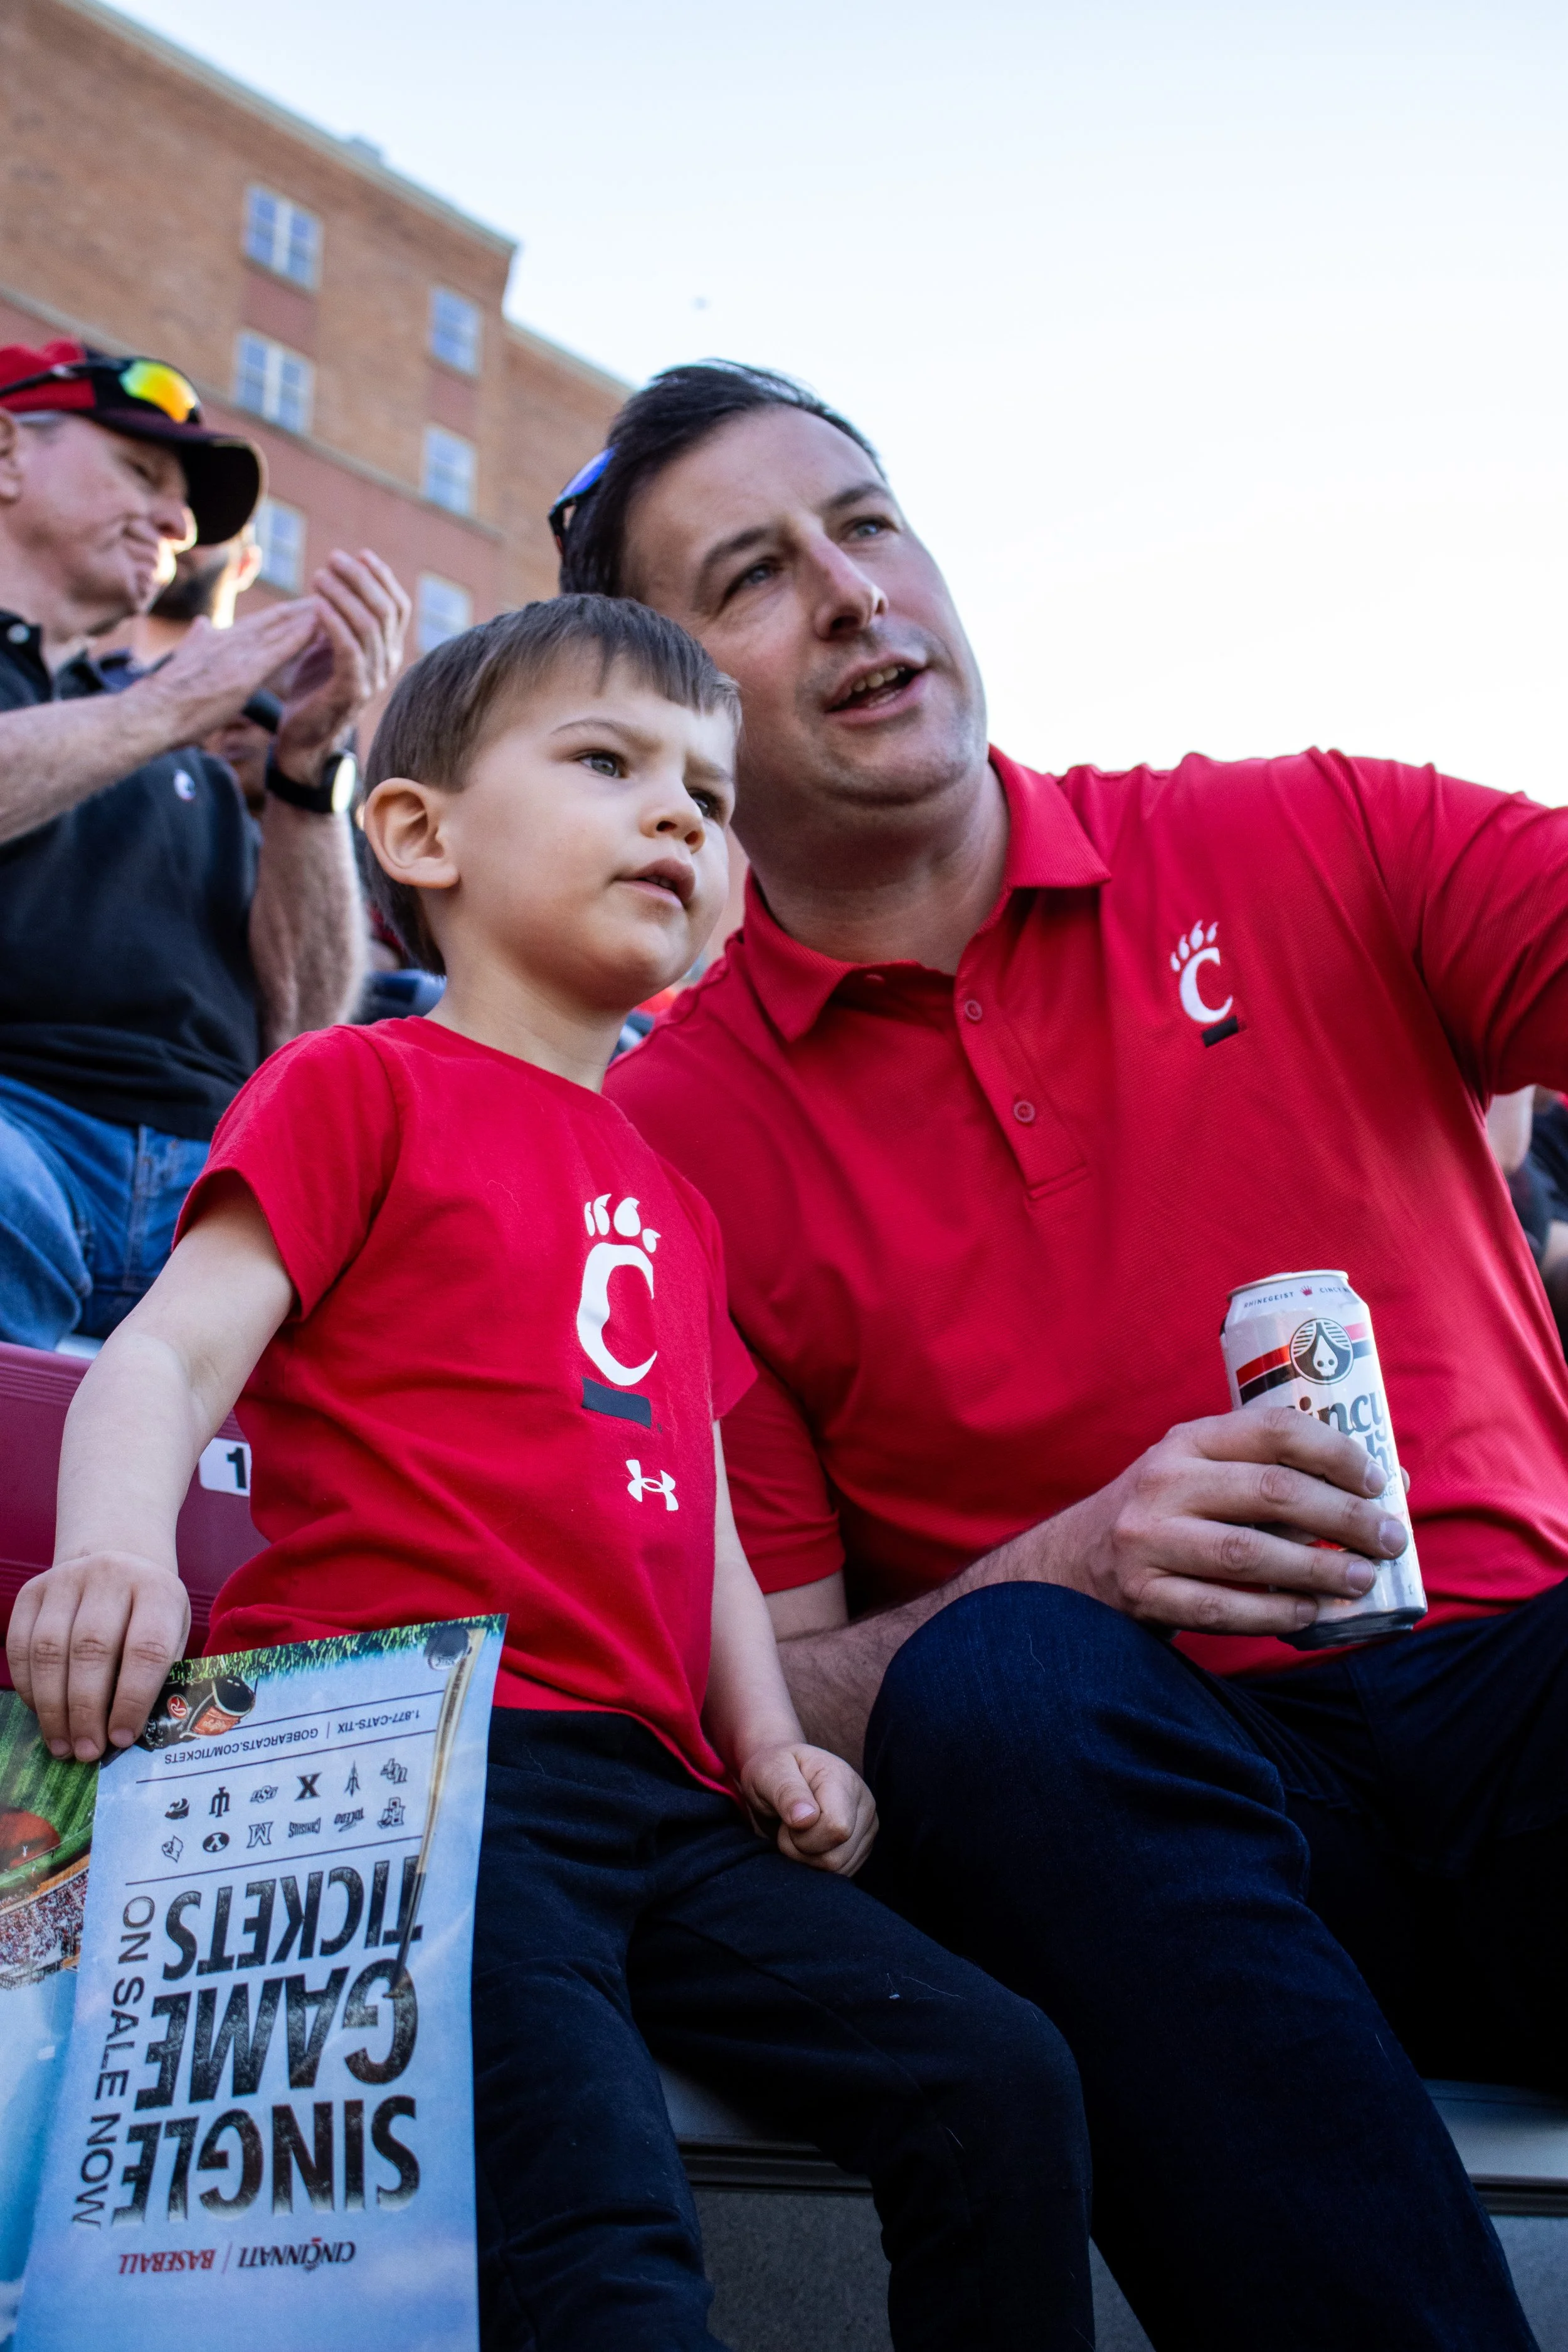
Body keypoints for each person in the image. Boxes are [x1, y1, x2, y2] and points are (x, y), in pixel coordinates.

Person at [560, 362, 1562, 2349]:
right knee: (1003, 1685)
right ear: (669, 724)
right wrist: (1073, 1559)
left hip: (1523, 1705)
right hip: (1145, 1845)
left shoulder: (1313, 832)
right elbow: (786, 1719)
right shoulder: (661, 1144)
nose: (852, 593)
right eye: (754, 575)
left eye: (864, 521)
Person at [6, 596, 1094, 2352]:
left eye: (709, 793)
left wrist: (768, 1745)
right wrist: (115, 1550)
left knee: (1000, 2072)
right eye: (609, 763)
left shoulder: (669, 1188)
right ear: (420, 830)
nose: (678, 814)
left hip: (658, 1799)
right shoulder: (353, 1082)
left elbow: (709, 1519)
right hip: (417, 1775)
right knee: (594, 2242)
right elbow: (167, 1349)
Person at [0, 339, 409, 1347]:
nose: (180, 525)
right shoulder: (168, 712)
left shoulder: (173, 735)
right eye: (142, 473)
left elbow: (305, 1020)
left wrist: (310, 769)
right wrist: (173, 700)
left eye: (184, 504)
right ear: (6, 453)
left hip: (223, 1183)